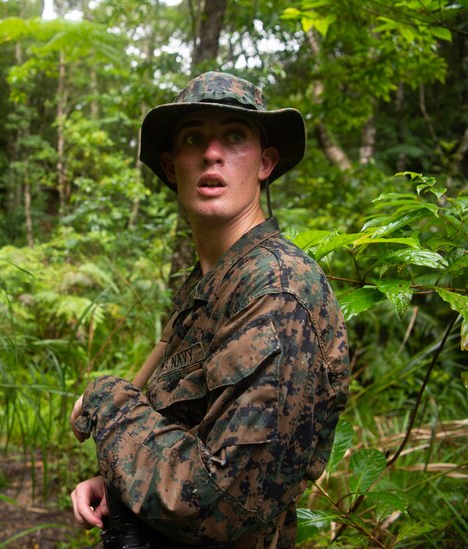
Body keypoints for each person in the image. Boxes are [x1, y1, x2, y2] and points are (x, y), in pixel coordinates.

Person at [69, 72, 350, 547]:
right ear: (170, 164)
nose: (212, 152)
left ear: (266, 162)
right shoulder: (211, 283)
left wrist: (106, 402)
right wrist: (123, 478)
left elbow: (223, 503)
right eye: (194, 137)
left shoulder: (275, 290)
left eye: (235, 136)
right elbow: (185, 432)